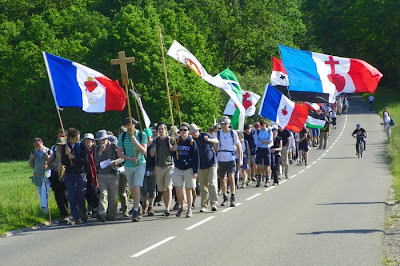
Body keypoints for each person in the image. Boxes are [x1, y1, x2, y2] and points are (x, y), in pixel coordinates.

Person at [117, 117, 148, 222]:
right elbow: (119, 153)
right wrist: (129, 158)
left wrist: (136, 143)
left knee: (137, 187)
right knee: (132, 190)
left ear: (134, 124)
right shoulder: (122, 136)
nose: (129, 127)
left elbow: (144, 151)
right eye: (127, 125)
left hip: (140, 164)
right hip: (128, 165)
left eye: (131, 124)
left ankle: (135, 211)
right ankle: (138, 206)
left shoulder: (141, 135)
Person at [172, 123, 200, 218]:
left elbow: (196, 157)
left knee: (188, 190)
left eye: (185, 130)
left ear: (188, 131)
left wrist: (195, 171)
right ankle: (182, 205)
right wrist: (173, 149)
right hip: (178, 168)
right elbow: (172, 154)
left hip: (189, 168)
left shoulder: (191, 142)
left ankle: (189, 209)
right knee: (178, 189)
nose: (183, 132)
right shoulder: (177, 141)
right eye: (181, 130)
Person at [94, 130, 123, 222]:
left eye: (102, 140)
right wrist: (100, 152)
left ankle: (112, 214)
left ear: (106, 139)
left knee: (113, 197)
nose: (101, 142)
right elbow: (96, 162)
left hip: (113, 175)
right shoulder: (97, 148)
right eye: (99, 140)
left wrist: (114, 162)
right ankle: (101, 214)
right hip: (102, 175)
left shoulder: (114, 146)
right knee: (103, 194)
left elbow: (122, 157)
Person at [190, 123, 219, 212]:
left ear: (198, 131)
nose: (195, 134)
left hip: (211, 163)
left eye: (196, 131)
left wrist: (209, 140)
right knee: (203, 186)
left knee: (212, 183)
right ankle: (204, 205)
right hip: (200, 166)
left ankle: (214, 204)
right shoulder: (191, 141)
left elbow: (216, 140)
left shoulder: (205, 135)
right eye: (193, 133)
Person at [61, 128, 88, 225]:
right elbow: (63, 162)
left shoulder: (81, 146)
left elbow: (85, 160)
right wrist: (66, 154)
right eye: (76, 138)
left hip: (80, 173)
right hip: (69, 173)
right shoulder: (65, 147)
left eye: (79, 138)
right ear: (71, 138)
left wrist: (74, 157)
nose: (78, 139)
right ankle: (76, 217)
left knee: (81, 194)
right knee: (71, 196)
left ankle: (83, 212)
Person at [216, 116, 243, 207]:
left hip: (231, 158)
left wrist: (240, 159)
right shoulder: (218, 133)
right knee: (222, 179)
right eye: (222, 124)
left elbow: (238, 146)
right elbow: (214, 146)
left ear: (228, 124)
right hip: (220, 158)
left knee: (231, 177)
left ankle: (232, 196)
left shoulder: (233, 133)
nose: (223, 125)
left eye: (225, 124)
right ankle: (225, 197)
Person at [150, 122, 175, 217]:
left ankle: (167, 208)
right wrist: (155, 146)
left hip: (169, 166)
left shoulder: (171, 139)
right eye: (159, 129)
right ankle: (166, 206)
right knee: (162, 189)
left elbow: (173, 151)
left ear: (165, 130)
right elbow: (151, 154)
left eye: (163, 129)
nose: (161, 130)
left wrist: (169, 143)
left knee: (168, 187)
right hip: (159, 167)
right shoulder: (155, 141)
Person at [48, 137, 69, 223]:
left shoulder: (67, 153)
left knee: (64, 196)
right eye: (58, 145)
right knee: (58, 197)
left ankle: (67, 215)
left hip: (65, 176)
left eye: (61, 145)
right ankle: (62, 214)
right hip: (56, 176)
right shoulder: (55, 153)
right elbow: (49, 162)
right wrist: (46, 164)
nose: (60, 147)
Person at [29, 138, 52, 214]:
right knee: (40, 191)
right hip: (37, 174)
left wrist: (48, 158)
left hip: (46, 173)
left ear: (42, 143)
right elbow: (31, 166)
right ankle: (44, 208)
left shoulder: (48, 151)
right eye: (35, 146)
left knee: (44, 189)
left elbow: (53, 164)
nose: (37, 148)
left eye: (38, 146)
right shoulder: (33, 152)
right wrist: (31, 159)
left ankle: (44, 208)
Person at [83, 133, 99, 218]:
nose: (88, 141)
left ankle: (96, 209)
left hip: (97, 173)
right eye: (86, 140)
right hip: (86, 173)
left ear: (93, 141)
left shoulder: (96, 149)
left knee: (96, 192)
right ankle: (92, 207)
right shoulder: (82, 150)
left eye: (90, 140)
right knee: (87, 192)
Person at [141, 128, 157, 216]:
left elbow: (156, 157)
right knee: (143, 187)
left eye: (148, 136)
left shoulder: (154, 143)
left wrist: (155, 168)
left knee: (152, 187)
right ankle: (145, 203)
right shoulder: (142, 144)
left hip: (152, 167)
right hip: (143, 167)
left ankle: (150, 206)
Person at [254, 120, 273, 187]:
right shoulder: (258, 132)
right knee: (258, 165)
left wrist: (261, 141)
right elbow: (256, 142)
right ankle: (259, 178)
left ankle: (267, 179)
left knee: (266, 165)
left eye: (263, 126)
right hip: (259, 149)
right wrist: (264, 142)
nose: (262, 127)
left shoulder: (269, 131)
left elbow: (269, 141)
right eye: (261, 126)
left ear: (265, 124)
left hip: (266, 149)